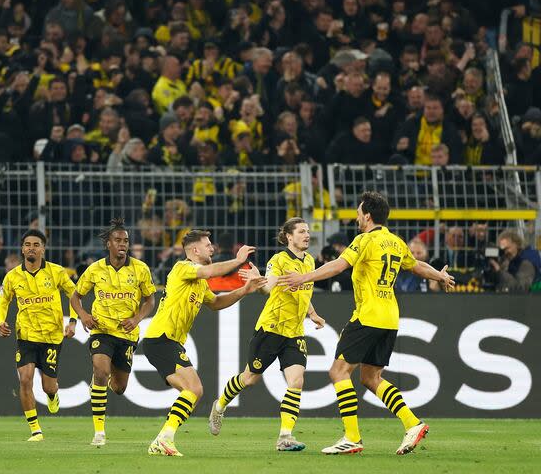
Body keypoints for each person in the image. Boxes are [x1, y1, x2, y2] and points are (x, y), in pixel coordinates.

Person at [281, 191, 455, 455]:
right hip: (389, 318)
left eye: (359, 212)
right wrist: (439, 276)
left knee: (338, 372)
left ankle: (352, 436)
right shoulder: (395, 242)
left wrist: (304, 278)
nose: (356, 216)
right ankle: (412, 424)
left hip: (367, 315)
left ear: (368, 216)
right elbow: (416, 265)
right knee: (371, 377)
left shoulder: (365, 240)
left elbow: (338, 265)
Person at [142, 230, 266, 456]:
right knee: (195, 389)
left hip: (167, 342)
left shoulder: (199, 283)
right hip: (161, 338)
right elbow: (208, 270)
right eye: (208, 245)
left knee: (192, 394)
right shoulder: (183, 268)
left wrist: (245, 290)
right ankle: (163, 439)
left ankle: (163, 439)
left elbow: (216, 302)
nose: (213, 248)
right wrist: (238, 261)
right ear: (195, 250)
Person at [209, 218, 326, 452]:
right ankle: (219, 405)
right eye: (301, 231)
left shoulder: (310, 261)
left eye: (308, 231)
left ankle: (285, 436)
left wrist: (312, 313)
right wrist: (257, 280)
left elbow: (305, 292)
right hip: (271, 328)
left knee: (296, 381)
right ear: (289, 237)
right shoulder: (279, 260)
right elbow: (267, 288)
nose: (306, 235)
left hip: (294, 332)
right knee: (250, 378)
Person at [69, 218, 157, 446]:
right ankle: (99, 432)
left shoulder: (140, 269)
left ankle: (101, 383)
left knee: (119, 387)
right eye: (117, 240)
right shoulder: (95, 269)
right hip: (102, 330)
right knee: (100, 370)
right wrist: (84, 315)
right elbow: (75, 296)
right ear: (108, 243)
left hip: (127, 335)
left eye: (126, 241)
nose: (122, 244)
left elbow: (150, 300)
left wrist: (137, 318)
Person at [0, 230, 78, 442]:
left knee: (48, 386)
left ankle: (52, 395)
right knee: (25, 379)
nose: (31, 247)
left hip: (51, 336)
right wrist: (1, 322)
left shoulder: (57, 272)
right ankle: (35, 430)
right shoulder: (12, 276)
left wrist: (73, 321)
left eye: (36, 244)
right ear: (22, 249)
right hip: (26, 336)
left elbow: (74, 295)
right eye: (28, 244)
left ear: (43, 248)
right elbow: (3, 302)